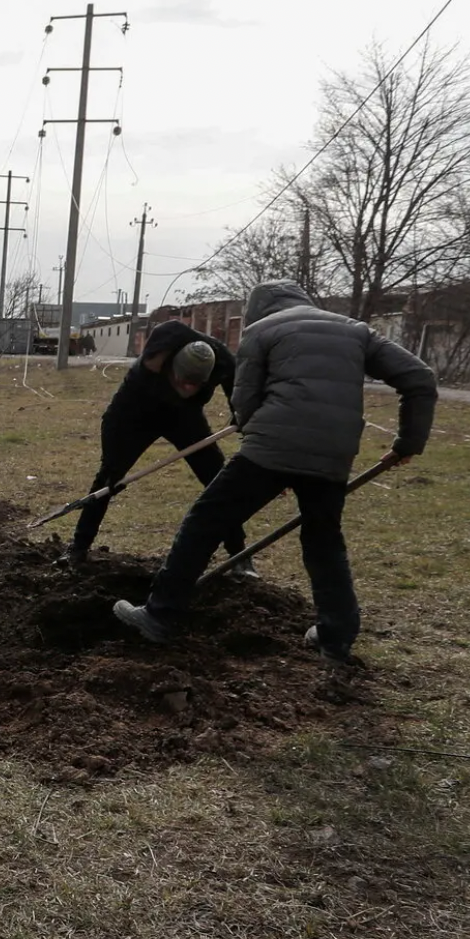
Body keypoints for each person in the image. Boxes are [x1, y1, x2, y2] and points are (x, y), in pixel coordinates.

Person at [113, 281, 435, 669]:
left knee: (206, 521)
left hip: (272, 445)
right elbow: (419, 378)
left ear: (255, 311)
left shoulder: (260, 331)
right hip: (334, 452)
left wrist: (263, 453)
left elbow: (244, 400)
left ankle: (159, 615)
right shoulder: (356, 330)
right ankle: (336, 638)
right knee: (324, 542)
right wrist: (408, 443)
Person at [67, 321, 253, 575]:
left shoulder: (222, 362)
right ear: (170, 366)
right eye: (183, 380)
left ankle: (240, 556)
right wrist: (114, 462)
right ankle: (77, 549)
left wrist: (241, 418)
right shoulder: (155, 356)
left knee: (218, 479)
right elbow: (115, 420)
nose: (188, 388)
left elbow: (240, 401)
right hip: (135, 414)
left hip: (184, 418)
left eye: (195, 384)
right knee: (108, 479)